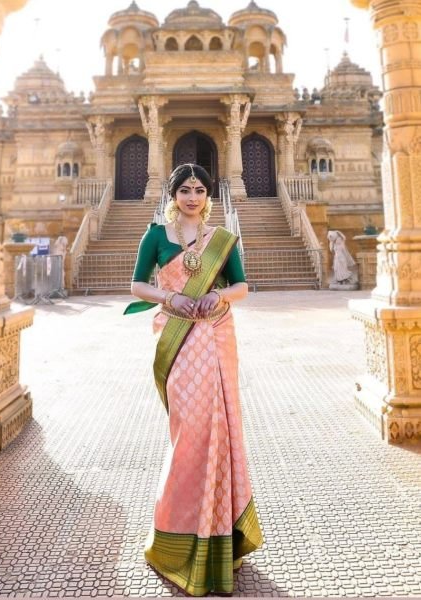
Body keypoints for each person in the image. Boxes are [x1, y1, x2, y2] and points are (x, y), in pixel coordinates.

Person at [125, 163, 263, 597]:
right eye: (184, 189)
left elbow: (241, 286)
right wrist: (172, 296)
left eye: (200, 190)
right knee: (189, 432)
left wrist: (216, 295)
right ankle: (175, 535)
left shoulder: (222, 239)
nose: (192, 196)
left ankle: (220, 535)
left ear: (208, 195)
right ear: (173, 194)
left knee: (218, 430)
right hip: (177, 337)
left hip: (216, 336)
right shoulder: (156, 236)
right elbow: (135, 286)